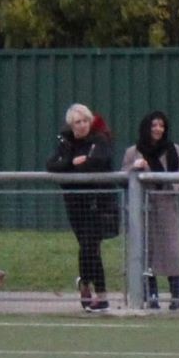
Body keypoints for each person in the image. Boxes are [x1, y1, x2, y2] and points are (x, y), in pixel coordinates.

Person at [46, 104, 117, 312]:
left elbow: (100, 161)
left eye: (86, 120)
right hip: (75, 203)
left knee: (90, 245)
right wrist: (71, 163)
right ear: (71, 125)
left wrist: (81, 163)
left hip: (97, 201)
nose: (83, 125)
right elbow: (52, 165)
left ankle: (95, 290)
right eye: (78, 122)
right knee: (87, 247)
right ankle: (91, 288)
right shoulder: (66, 142)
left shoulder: (99, 139)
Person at [122, 111, 179, 310]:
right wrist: (135, 168)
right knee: (146, 251)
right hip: (143, 208)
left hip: (166, 206)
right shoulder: (134, 151)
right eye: (154, 125)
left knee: (172, 251)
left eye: (161, 126)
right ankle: (151, 295)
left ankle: (176, 295)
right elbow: (123, 175)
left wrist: (169, 184)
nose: (158, 129)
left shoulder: (173, 149)